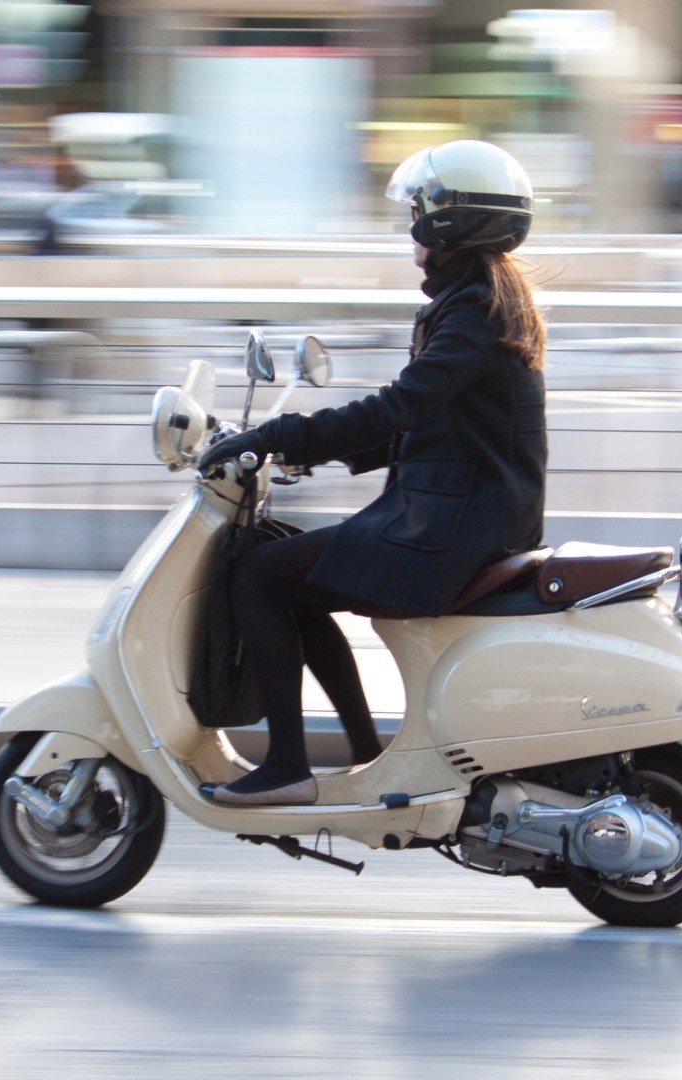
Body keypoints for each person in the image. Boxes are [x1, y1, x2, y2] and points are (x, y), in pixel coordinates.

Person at [195, 139, 550, 806]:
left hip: (456, 524)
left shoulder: (472, 310)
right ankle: (361, 751)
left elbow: (402, 405)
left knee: (259, 577)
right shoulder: (480, 301)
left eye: (418, 211)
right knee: (294, 577)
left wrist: (277, 433)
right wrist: (309, 451)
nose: (409, 226)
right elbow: (442, 423)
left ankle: (290, 767)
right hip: (465, 509)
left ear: (450, 222)